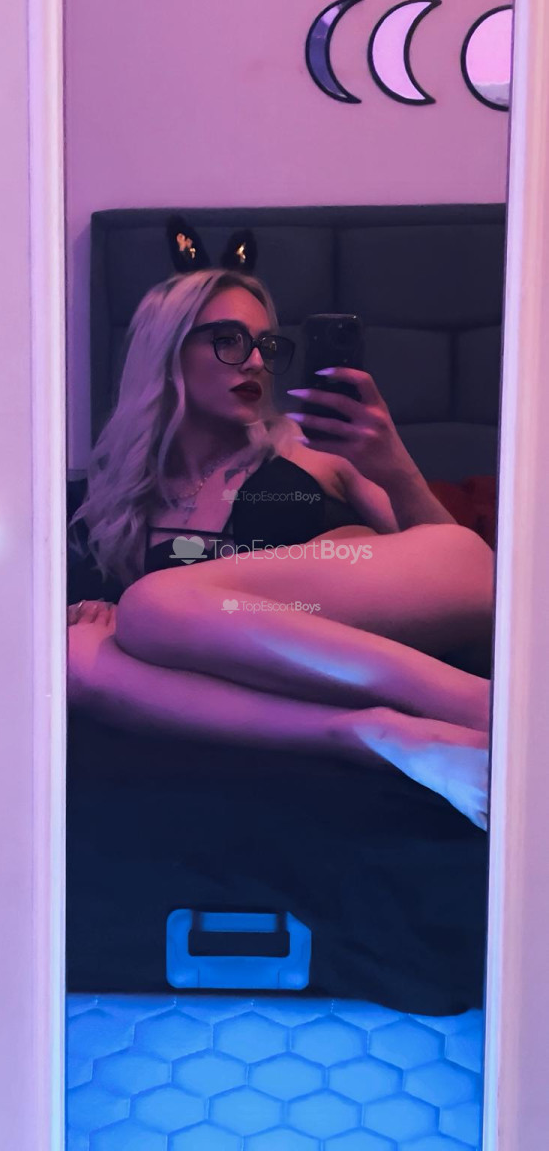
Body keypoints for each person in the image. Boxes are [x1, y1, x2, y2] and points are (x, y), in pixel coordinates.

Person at [66, 266, 493, 1006]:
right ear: (166, 350)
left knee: (152, 605)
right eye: (229, 341)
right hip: (260, 661)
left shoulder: (318, 462)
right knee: (77, 654)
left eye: (267, 345)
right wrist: (79, 613)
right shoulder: (99, 499)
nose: (256, 363)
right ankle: (374, 732)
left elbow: (457, 578)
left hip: (394, 588)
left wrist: (393, 467)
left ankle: (482, 707)